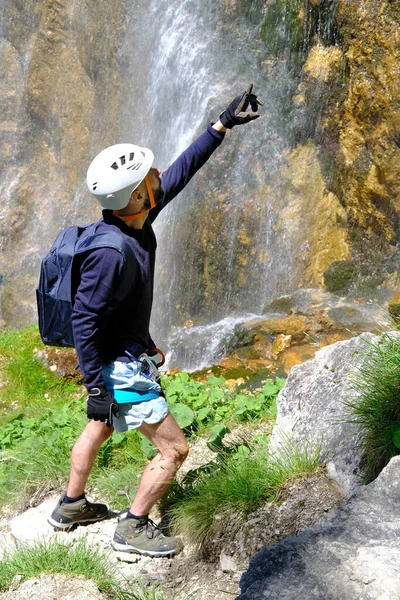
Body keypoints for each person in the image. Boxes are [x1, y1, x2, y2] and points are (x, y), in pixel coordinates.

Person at [48, 84, 262, 557]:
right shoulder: (111, 253)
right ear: (139, 191)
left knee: (99, 427)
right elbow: (84, 318)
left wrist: (220, 126)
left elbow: (182, 172)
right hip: (115, 366)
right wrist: (98, 387)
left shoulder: (133, 218)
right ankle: (133, 526)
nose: (159, 173)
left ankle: (70, 505)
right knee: (174, 450)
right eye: (150, 173)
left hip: (121, 353)